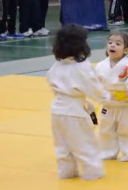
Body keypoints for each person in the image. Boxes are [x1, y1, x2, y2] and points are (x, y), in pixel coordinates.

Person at [47, 24, 110, 180]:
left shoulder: (57, 65)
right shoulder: (82, 67)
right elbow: (94, 89)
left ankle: (66, 173)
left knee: (63, 146)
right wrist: (107, 98)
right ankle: (92, 174)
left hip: (57, 110)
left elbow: (51, 82)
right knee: (85, 144)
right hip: (74, 111)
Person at [95, 31, 128, 162]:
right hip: (108, 105)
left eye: (118, 44)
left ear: (126, 50)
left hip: (125, 105)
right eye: (110, 42)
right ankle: (107, 152)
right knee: (106, 130)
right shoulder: (100, 66)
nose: (112, 45)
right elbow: (94, 83)